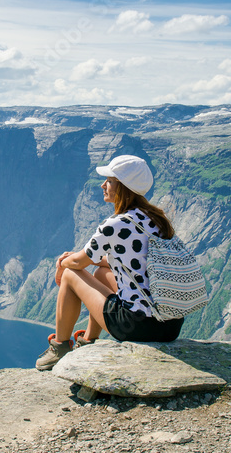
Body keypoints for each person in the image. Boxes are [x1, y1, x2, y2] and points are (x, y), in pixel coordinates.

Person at [35, 154, 184, 371]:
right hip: (170, 326)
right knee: (101, 274)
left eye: (110, 181)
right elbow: (133, 261)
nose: (103, 185)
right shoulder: (157, 219)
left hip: (137, 326)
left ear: (124, 187)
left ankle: (60, 347)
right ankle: (87, 341)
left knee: (70, 275)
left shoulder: (115, 225)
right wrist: (83, 262)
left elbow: (78, 263)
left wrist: (63, 264)